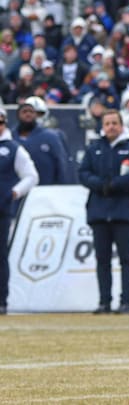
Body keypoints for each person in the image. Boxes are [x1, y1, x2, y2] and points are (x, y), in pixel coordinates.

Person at [78, 109, 129, 314]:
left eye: (114, 123)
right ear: (102, 126)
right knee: (102, 260)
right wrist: (100, 185)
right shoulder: (94, 148)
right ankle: (104, 302)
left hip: (123, 212)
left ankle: (126, 302)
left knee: (126, 259)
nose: (111, 127)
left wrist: (115, 184)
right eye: (107, 123)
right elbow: (82, 173)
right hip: (99, 212)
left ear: (121, 125)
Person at [0, 108, 38, 315]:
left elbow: (32, 176)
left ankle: (1, 300)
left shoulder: (13, 149)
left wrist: (14, 192)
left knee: (0, 256)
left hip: (1, 210)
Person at [12, 99, 70, 185]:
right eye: (24, 112)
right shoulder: (9, 137)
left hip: (45, 190)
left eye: (32, 112)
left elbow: (61, 164)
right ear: (18, 115)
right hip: (15, 191)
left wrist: (61, 187)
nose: (28, 114)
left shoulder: (52, 136)